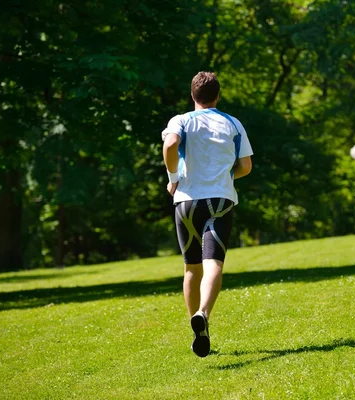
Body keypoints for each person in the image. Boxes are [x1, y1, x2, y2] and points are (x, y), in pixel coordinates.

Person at [161, 71, 253, 357]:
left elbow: (170, 145)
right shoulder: (233, 123)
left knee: (191, 268)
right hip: (220, 200)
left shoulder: (181, 120)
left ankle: (198, 329)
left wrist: (173, 177)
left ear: (192, 95)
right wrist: (227, 176)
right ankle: (203, 312)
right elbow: (246, 166)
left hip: (186, 201)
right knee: (213, 263)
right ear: (218, 95)